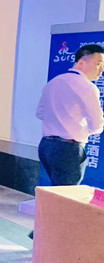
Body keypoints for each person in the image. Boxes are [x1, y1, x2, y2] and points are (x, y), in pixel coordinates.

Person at [36, 43, 104, 186]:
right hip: (69, 149)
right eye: (98, 64)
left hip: (46, 146)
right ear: (81, 62)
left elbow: (40, 113)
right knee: (66, 194)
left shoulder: (53, 82)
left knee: (56, 190)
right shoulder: (88, 87)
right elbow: (97, 126)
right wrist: (78, 127)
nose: (101, 70)